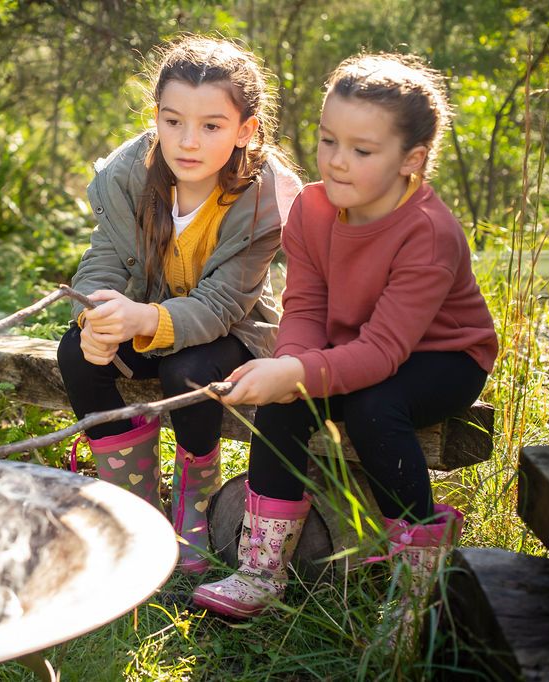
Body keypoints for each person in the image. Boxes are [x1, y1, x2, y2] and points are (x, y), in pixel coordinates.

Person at [192, 52, 498, 633]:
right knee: (285, 399)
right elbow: (305, 306)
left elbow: (385, 354)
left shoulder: (428, 233)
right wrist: (288, 365)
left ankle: (416, 578)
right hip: (353, 343)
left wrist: (301, 372)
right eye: (328, 140)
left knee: (374, 405)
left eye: (361, 150)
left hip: (443, 355)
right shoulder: (311, 207)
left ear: (412, 160)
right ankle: (262, 569)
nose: (336, 161)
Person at [57, 36, 301, 574]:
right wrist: (94, 318)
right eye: (173, 122)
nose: (188, 142)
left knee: (188, 368)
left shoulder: (262, 197)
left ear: (245, 130)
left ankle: (196, 501)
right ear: (156, 117)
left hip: (232, 334)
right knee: (76, 352)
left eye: (211, 126)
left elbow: (220, 304)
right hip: (148, 316)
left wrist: (143, 318)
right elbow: (104, 260)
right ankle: (134, 507)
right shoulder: (130, 174)